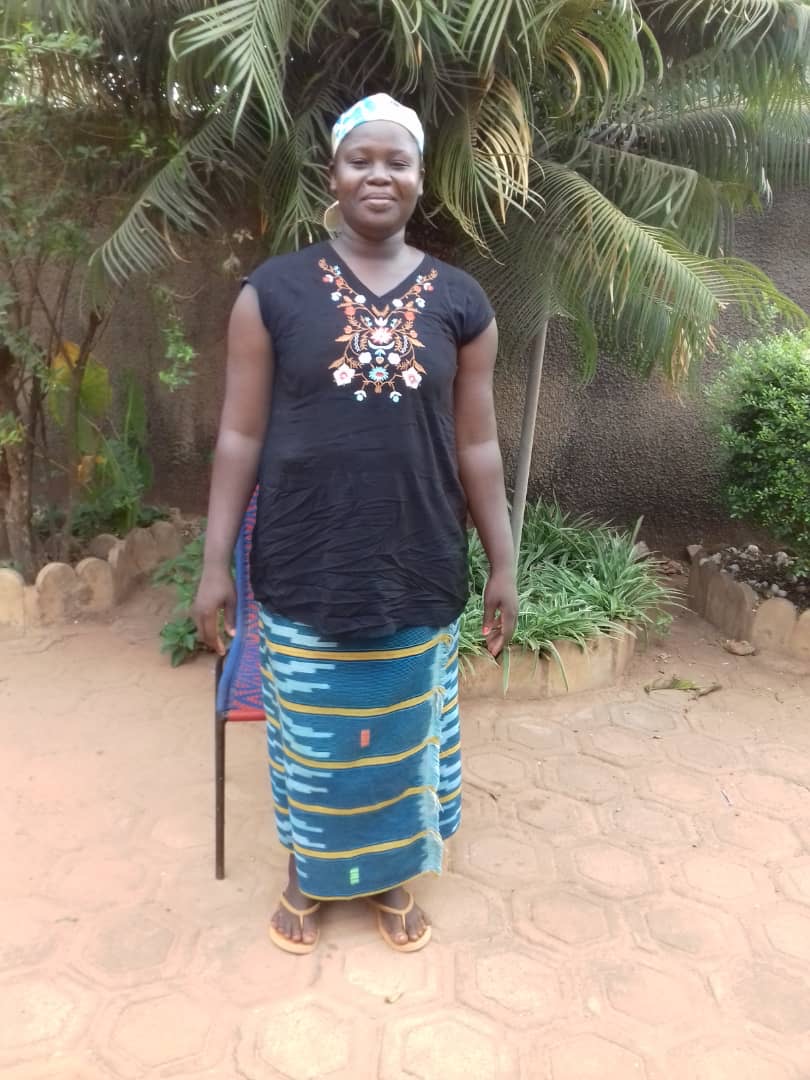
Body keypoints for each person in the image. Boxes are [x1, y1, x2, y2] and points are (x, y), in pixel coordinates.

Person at [193, 93, 517, 954]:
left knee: (402, 730)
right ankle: (308, 871)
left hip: (417, 559)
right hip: (304, 556)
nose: (379, 174)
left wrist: (504, 563)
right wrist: (214, 563)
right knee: (313, 731)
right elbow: (239, 435)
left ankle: (392, 873)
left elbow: (478, 446)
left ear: (420, 179)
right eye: (360, 159)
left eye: (396, 161)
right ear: (331, 176)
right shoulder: (271, 293)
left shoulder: (462, 301)